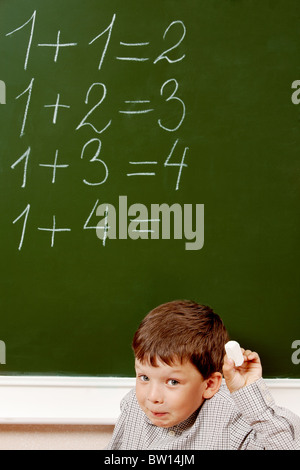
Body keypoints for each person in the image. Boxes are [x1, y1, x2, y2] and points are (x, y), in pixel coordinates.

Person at [106, 300, 300, 450]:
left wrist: (250, 395)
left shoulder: (234, 420)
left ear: (209, 385)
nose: (153, 397)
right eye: (144, 378)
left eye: (173, 382)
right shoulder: (133, 406)